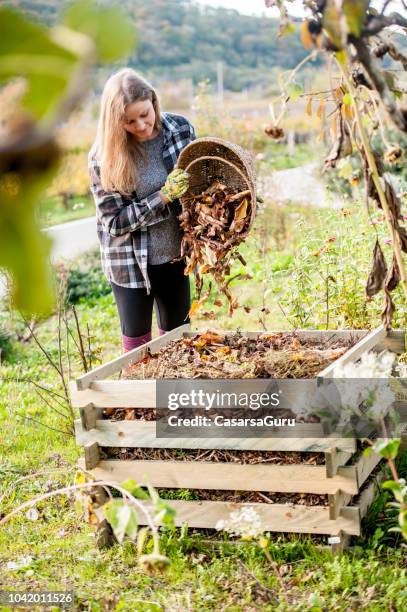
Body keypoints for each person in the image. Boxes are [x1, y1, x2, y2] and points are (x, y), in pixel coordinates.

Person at [88, 68, 196, 352]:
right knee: (138, 349)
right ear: (114, 121)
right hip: (129, 263)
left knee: (178, 342)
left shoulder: (181, 130)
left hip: (175, 256)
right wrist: (162, 197)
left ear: (154, 102)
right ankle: (142, 396)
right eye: (129, 121)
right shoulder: (103, 157)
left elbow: (200, 180)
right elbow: (115, 222)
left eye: (145, 114)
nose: (141, 126)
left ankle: (173, 397)